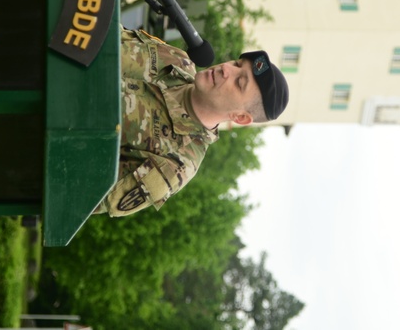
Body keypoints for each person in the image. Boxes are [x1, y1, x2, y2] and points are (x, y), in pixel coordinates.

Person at [93, 28, 289, 217]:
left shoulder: (175, 163)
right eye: (237, 64)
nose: (226, 69)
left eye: (239, 82)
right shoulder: (176, 59)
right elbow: (106, 32)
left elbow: (83, 194)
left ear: (240, 118)